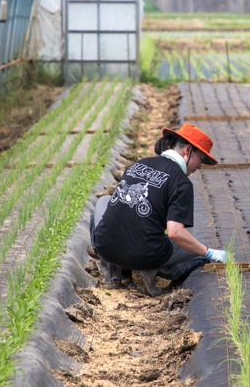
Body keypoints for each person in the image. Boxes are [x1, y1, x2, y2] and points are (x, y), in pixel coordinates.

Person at [90, 122, 228, 296]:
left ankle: (111, 274)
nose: (199, 166)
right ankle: (149, 270)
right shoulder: (181, 182)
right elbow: (175, 233)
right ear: (187, 151)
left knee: (104, 200)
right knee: (197, 254)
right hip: (144, 254)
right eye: (200, 159)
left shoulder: (139, 164)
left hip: (105, 246)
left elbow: (120, 208)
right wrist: (208, 252)